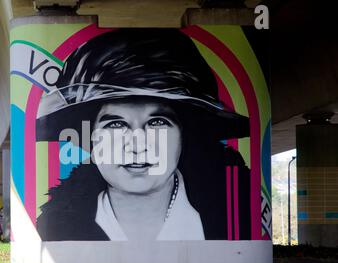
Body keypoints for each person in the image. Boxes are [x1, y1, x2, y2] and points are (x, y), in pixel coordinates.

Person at [35, 28, 251, 241]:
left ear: (184, 135)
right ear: (91, 137)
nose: (137, 145)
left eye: (157, 122)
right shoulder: (54, 229)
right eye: (116, 125)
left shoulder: (235, 220)